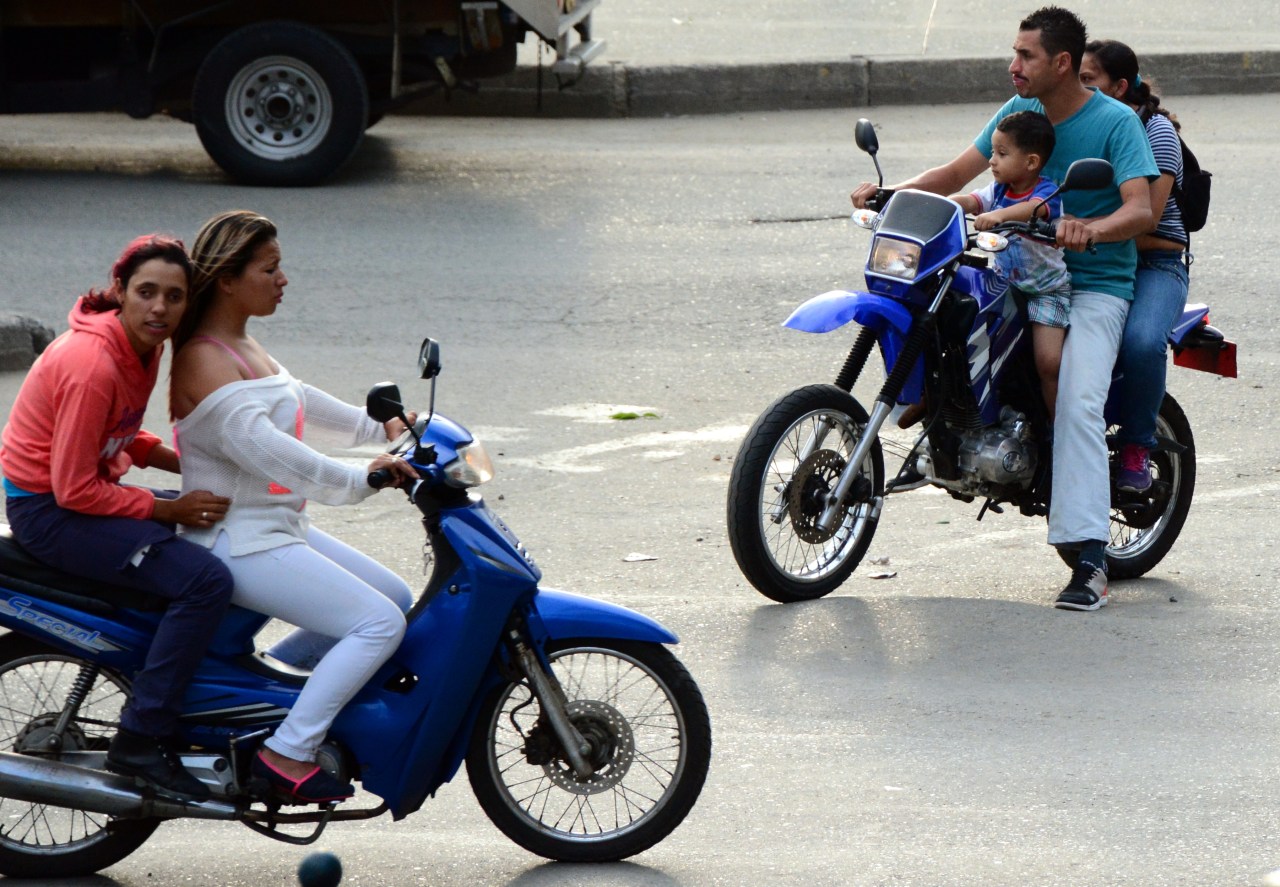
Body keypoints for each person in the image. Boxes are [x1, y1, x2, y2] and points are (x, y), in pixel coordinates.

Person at [851, 6, 1158, 612]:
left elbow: (1141, 210)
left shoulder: (1116, 122)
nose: (1013, 64)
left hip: (1091, 284)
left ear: (1062, 63)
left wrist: (1090, 230)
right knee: (937, 310)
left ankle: (1090, 560)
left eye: (1026, 55)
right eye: (1015, 53)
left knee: (1077, 397)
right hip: (1012, 268)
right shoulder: (1020, 112)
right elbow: (957, 173)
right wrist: (892, 194)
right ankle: (948, 412)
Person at [169, 210, 418, 805]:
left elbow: (295, 399)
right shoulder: (203, 358)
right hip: (235, 540)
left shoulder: (239, 341)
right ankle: (286, 751)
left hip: (276, 527)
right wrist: (361, 477)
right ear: (228, 280)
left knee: (396, 597)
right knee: (378, 623)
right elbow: (272, 452)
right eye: (270, 269)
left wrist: (381, 426)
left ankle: (262, 708)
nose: (283, 280)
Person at [0, 235, 235, 800]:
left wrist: (189, 464)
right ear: (120, 291)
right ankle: (141, 737)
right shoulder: (94, 365)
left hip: (80, 494)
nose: (160, 308)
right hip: (50, 512)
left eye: (174, 297)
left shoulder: (140, 346)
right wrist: (167, 506)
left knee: (215, 528)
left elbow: (120, 430)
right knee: (206, 582)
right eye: (146, 292)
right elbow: (74, 488)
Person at [1080, 39, 1190, 494]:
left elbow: (1148, 218)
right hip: (1091, 255)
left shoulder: (1156, 133)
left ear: (1120, 87)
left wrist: (1085, 230)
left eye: (1089, 80)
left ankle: (1137, 446)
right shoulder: (1079, 121)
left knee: (1142, 343)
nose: (1079, 89)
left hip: (1155, 264)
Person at [947, 110, 1072, 418]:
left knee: (1049, 362)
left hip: (1045, 291)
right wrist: (945, 204)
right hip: (1003, 287)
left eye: (1002, 154)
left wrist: (999, 215)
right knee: (961, 339)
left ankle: (1060, 430)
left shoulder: (1047, 192)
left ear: (1031, 162)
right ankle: (937, 400)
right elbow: (972, 201)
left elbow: (1034, 209)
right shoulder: (998, 190)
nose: (992, 161)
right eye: (992, 152)